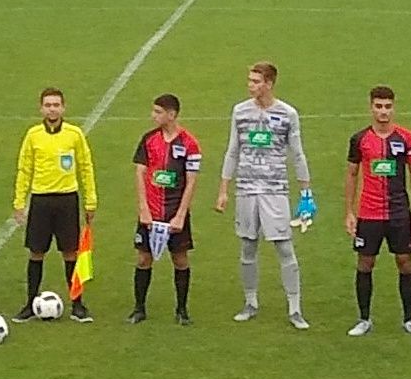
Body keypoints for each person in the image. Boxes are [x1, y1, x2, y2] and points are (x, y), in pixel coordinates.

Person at [215, 62, 313, 329]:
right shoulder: (240, 111)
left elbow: (297, 153)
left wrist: (306, 193)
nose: (251, 85)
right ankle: (250, 302)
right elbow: (232, 151)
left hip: (275, 190)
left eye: (256, 81)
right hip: (246, 190)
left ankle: (295, 308)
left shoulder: (287, 114)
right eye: (250, 80)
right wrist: (224, 189)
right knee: (248, 246)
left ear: (269, 83)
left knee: (284, 247)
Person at [344, 85, 411, 337]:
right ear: (371, 107)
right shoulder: (359, 139)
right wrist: (349, 211)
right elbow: (351, 174)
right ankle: (364, 319)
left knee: (405, 262)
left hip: (399, 213)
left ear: (394, 107)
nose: (383, 111)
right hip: (369, 213)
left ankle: (409, 319)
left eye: (388, 107)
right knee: (365, 263)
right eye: (379, 106)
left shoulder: (406, 138)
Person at [12, 88, 97, 323]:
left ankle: (77, 304)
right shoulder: (33, 135)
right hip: (40, 200)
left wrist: (91, 201)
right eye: (48, 105)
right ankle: (29, 303)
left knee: (70, 252)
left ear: (63, 108)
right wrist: (19, 202)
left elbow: (85, 167)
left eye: (56, 104)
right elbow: (24, 169)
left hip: (67, 199)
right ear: (41, 108)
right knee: (36, 252)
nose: (52, 109)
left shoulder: (74, 134)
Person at [130, 94, 200, 325]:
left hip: (174, 212)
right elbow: (140, 173)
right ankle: (139, 308)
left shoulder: (189, 143)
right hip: (150, 211)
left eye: (158, 112)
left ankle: (182, 310)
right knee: (143, 259)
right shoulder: (148, 139)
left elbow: (191, 181)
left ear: (171, 114)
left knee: (180, 259)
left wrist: (180, 215)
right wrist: (144, 209)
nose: (153, 116)